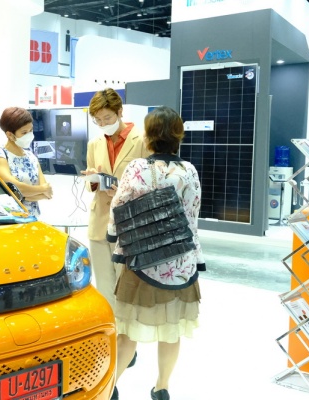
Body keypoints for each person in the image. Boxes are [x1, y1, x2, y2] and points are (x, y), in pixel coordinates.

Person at [108, 106, 205, 400]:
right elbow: (191, 217)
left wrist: (112, 236)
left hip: (142, 261)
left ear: (148, 137)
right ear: (179, 136)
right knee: (172, 332)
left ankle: (111, 387)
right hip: (180, 264)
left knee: (128, 332)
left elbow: (118, 206)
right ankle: (162, 387)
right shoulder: (189, 170)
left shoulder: (137, 168)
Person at [81, 88, 150, 309]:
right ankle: (111, 328)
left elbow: (152, 182)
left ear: (120, 112)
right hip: (100, 220)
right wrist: (93, 179)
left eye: (107, 118)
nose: (102, 124)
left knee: (127, 285)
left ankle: (127, 331)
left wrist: (123, 190)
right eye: (97, 120)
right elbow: (89, 184)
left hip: (130, 222)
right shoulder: (94, 143)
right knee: (104, 285)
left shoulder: (142, 140)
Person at [0, 107, 52, 217]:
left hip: (33, 218)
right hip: (10, 219)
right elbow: (13, 189)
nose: (29, 135)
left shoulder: (31, 157)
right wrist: (41, 189)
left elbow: (47, 194)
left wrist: (23, 195)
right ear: (10, 135)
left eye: (31, 130)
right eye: (24, 132)